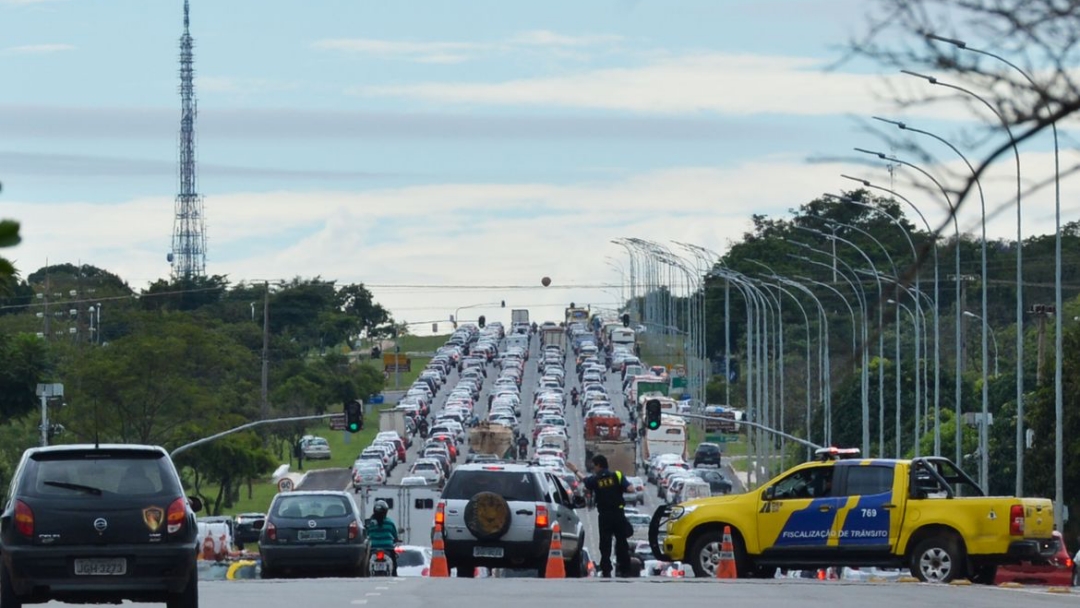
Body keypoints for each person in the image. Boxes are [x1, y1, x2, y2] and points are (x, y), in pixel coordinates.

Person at [567, 454, 632, 578]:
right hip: (618, 514)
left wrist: (575, 470)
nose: (593, 469)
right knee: (622, 543)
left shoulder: (596, 479)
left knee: (605, 544)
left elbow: (585, 480)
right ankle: (624, 569)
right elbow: (630, 489)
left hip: (605, 516)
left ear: (598, 465)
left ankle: (606, 570)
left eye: (594, 466)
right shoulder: (617, 475)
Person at [365, 500, 401, 575]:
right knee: (394, 566)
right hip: (388, 548)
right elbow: (395, 535)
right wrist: (396, 540)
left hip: (372, 548)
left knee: (365, 564)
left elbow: (366, 534)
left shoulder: (370, 523)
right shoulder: (390, 522)